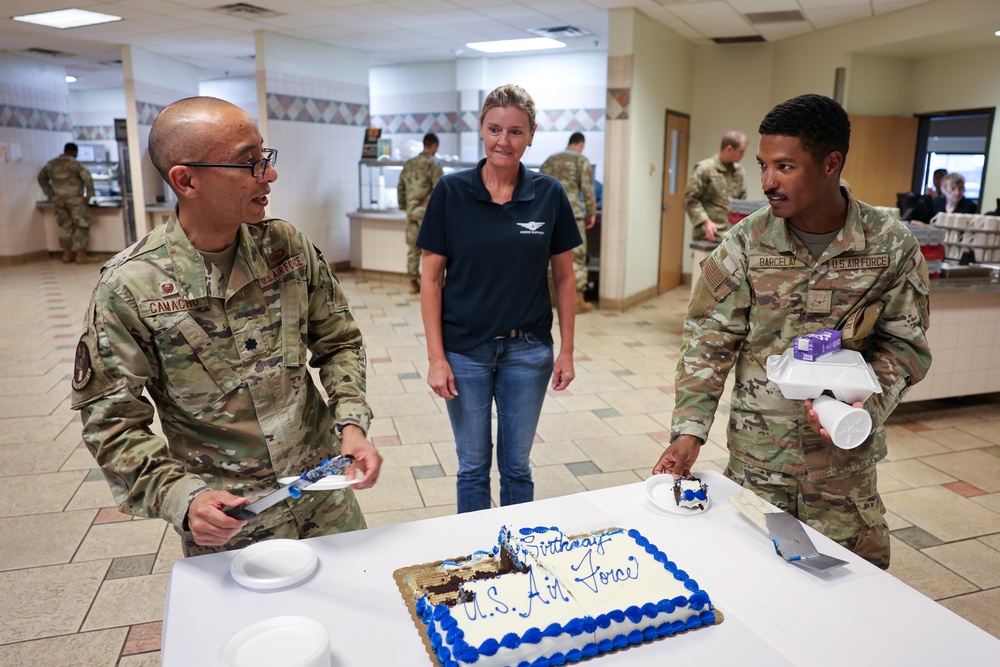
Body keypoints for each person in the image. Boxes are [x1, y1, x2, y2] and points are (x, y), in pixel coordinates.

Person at [69, 97, 382, 556]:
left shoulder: (286, 247)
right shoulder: (131, 287)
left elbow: (340, 343)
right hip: (232, 521)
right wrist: (182, 498)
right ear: (186, 179)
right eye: (247, 163)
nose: (268, 175)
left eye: (264, 158)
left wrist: (352, 424)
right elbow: (111, 423)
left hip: (323, 495)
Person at [652, 94, 931, 570]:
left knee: (851, 591)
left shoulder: (890, 246)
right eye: (763, 165)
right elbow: (709, 340)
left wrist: (867, 401)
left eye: (784, 166)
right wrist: (690, 430)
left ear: (831, 163)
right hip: (759, 461)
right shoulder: (746, 243)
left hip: (844, 463)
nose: (767, 182)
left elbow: (906, 346)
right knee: (751, 582)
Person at [417, 84, 582, 513]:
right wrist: (437, 357)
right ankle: (476, 560)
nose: (502, 142)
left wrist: (566, 350)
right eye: (494, 129)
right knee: (472, 466)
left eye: (514, 132)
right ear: (480, 129)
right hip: (464, 351)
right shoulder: (451, 192)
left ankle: (517, 554)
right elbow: (431, 280)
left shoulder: (549, 194)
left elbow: (565, 278)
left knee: (516, 466)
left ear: (531, 135)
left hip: (527, 353)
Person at [540, 132, 597, 313]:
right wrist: (591, 212)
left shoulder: (551, 159)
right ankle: (577, 301)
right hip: (573, 215)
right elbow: (588, 189)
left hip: (549, 214)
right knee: (576, 257)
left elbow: (538, 184)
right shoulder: (581, 160)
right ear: (581, 144)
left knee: (549, 255)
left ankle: (551, 297)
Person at [37, 142, 99, 264]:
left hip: (59, 200)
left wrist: (50, 192)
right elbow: (87, 178)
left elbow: (41, 178)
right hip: (75, 200)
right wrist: (90, 194)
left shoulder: (52, 164)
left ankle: (67, 254)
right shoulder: (75, 164)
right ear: (74, 152)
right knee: (82, 224)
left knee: (65, 225)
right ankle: (81, 255)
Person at [397, 132, 443, 294]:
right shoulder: (434, 164)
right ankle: (430, 285)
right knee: (432, 251)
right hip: (427, 215)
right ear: (434, 146)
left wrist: (404, 206)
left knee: (413, 249)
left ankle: (412, 282)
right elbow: (439, 190)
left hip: (411, 212)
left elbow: (400, 187)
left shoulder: (409, 164)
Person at [685, 130, 748, 242]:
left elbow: (742, 201)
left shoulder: (739, 171)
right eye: (741, 151)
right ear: (729, 149)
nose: (743, 155)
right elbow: (691, 199)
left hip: (731, 234)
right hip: (709, 234)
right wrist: (705, 221)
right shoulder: (705, 169)